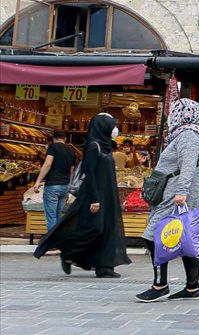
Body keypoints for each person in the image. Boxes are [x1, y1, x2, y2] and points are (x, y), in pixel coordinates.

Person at [33, 113, 131, 278]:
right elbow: (90, 173)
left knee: (106, 228)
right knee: (95, 228)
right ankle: (68, 251)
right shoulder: (93, 146)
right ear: (102, 127)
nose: (114, 129)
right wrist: (94, 198)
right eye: (111, 125)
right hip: (94, 194)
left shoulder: (106, 145)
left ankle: (104, 266)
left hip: (107, 194)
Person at [135, 98, 199, 303]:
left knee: (152, 236)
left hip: (174, 197)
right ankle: (192, 288)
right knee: (187, 240)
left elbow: (188, 164)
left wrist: (181, 192)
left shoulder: (188, 135)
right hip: (176, 195)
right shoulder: (188, 133)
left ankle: (160, 285)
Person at [32, 130, 76, 231]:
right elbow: (71, 171)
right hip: (65, 186)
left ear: (53, 138)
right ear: (65, 139)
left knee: (51, 216)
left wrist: (38, 181)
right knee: (58, 215)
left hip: (53, 185)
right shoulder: (71, 151)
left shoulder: (52, 147)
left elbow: (47, 164)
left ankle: (52, 242)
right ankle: (58, 239)